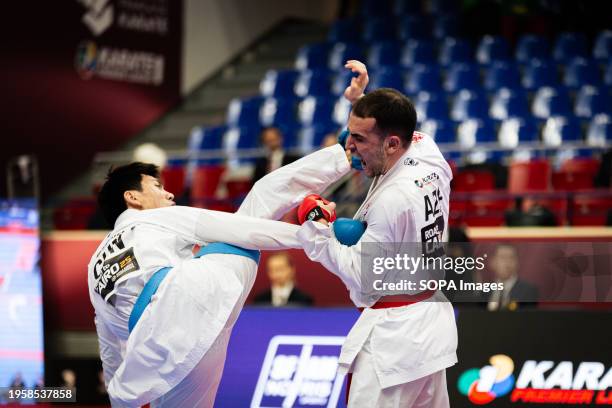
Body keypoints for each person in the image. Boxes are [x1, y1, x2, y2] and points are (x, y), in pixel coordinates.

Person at [89, 145, 350, 406]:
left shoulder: (93, 266)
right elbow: (239, 229)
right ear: (133, 197)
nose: (168, 193)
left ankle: (341, 159)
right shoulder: (156, 218)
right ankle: (346, 155)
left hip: (155, 354)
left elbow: (109, 348)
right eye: (157, 187)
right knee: (259, 201)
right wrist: (309, 235)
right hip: (195, 299)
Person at [296, 61, 458, 407]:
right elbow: (393, 124)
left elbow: (361, 275)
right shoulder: (426, 150)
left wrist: (317, 230)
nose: (349, 148)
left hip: (393, 341)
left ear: (392, 144)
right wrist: (361, 99)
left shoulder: (392, 201)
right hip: (430, 324)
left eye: (358, 139)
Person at [486, 244, 539, 311]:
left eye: (511, 258)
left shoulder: (528, 291)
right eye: (502, 257)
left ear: (517, 263)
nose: (507, 263)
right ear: (493, 262)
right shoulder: (484, 290)